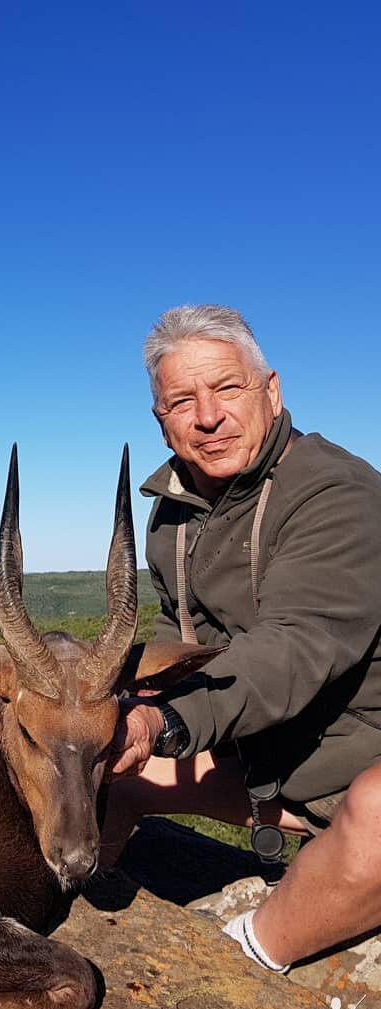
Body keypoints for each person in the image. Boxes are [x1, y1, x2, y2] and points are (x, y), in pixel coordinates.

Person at [102, 304, 381, 974]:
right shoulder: (175, 512)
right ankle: (64, 912)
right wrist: (110, 700)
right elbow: (182, 634)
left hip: (356, 760)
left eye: (228, 389)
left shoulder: (338, 495)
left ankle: (246, 969)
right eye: (182, 401)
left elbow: (293, 646)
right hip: (262, 763)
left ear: (272, 391)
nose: (207, 416)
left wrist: (165, 721)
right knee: (93, 772)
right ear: (161, 421)